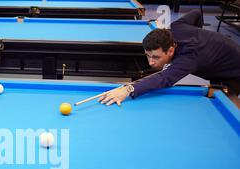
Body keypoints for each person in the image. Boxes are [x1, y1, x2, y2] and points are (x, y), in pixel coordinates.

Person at [98, 9, 240, 106]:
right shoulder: (177, 26)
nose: (150, 62)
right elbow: (196, 13)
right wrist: (201, 35)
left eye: (156, 57)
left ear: (171, 50)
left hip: (235, 72)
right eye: (147, 56)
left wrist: (128, 89)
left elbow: (164, 78)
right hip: (220, 59)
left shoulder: (188, 58)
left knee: (223, 103)